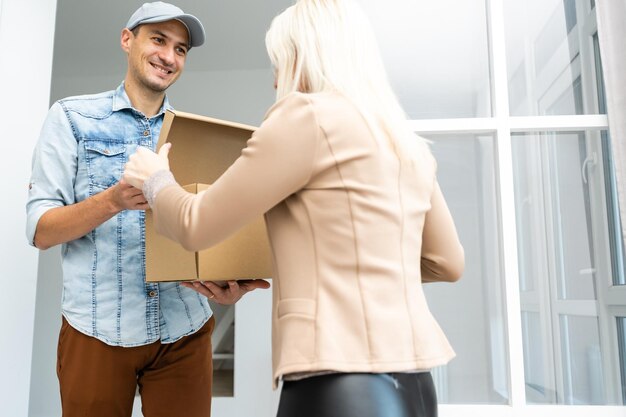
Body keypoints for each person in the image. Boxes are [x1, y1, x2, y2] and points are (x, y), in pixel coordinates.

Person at [123, 0, 464, 416]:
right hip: (416, 384)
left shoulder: (306, 115)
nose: (275, 82)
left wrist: (155, 178)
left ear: (302, 54)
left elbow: (195, 226)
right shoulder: (399, 136)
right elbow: (446, 262)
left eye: (278, 63)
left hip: (338, 382)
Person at [26, 2, 267, 416]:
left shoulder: (195, 133)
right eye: (159, 40)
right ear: (127, 40)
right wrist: (113, 200)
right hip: (95, 332)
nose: (169, 57)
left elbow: (206, 229)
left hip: (184, 330)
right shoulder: (71, 118)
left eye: (181, 49)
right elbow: (40, 230)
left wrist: (229, 278)